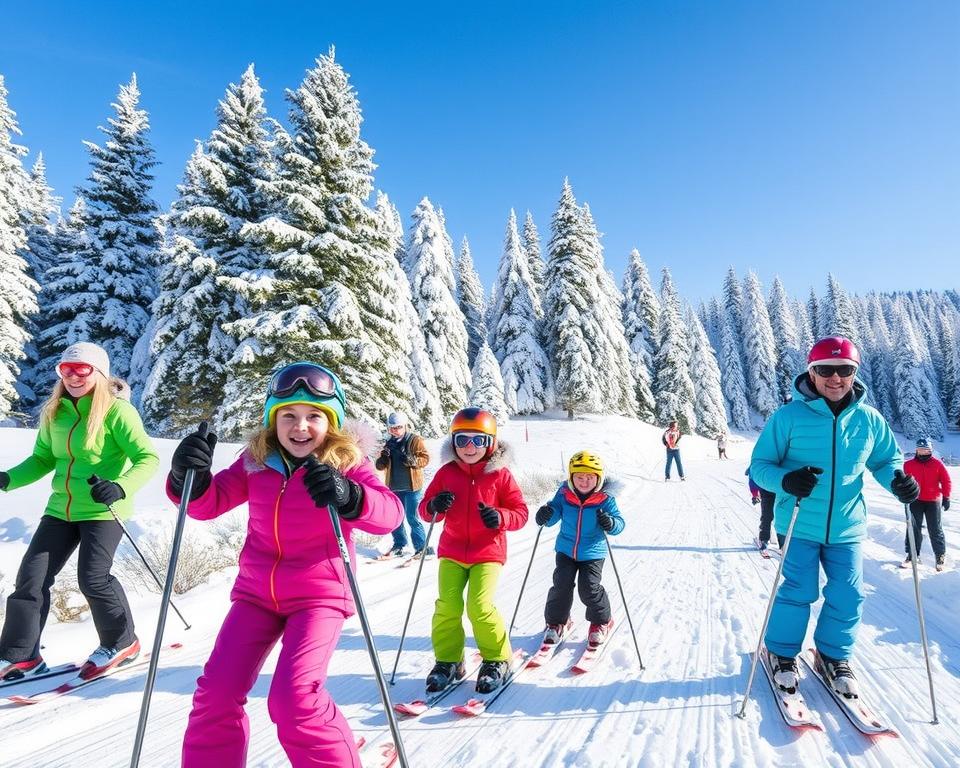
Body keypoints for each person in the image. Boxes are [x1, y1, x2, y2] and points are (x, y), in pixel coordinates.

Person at [170, 362, 402, 767]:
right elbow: (208, 504)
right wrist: (188, 477)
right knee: (216, 693)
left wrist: (350, 496)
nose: (301, 427)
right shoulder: (256, 461)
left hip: (319, 596)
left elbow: (391, 514)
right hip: (257, 595)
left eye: (314, 416)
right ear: (272, 419)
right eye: (288, 416)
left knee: (295, 700)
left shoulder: (345, 463)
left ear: (331, 422)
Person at [750, 336, 919, 699]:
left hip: (847, 525)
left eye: (844, 370)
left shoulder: (869, 420)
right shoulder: (788, 417)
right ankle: (781, 652)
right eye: (825, 369)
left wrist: (900, 482)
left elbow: (886, 461)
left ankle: (832, 655)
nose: (835, 378)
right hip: (798, 523)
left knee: (849, 593)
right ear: (811, 373)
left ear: (854, 373)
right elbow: (759, 466)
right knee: (799, 590)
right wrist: (786, 480)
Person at [0, 342, 158, 681]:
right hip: (61, 508)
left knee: (94, 577)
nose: (72, 377)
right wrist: (8, 478)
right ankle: (20, 656)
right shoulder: (55, 411)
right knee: (32, 577)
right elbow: (43, 459)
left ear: (98, 373)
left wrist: (120, 486)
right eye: (66, 370)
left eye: (81, 370)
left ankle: (122, 642)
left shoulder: (117, 412)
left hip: (103, 509)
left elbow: (148, 458)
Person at [418, 407, 528, 695]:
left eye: (477, 440)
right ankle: (449, 661)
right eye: (462, 439)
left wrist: (500, 517)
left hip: (488, 552)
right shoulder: (446, 473)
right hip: (452, 550)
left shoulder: (500, 476)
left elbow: (521, 512)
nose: (469, 447)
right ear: (453, 441)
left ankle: (497, 659)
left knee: (479, 606)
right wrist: (434, 507)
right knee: (447, 606)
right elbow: (425, 511)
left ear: (490, 443)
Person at [535, 451, 625, 646]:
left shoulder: (606, 499)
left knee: (589, 589)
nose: (584, 481)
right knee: (561, 586)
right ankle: (557, 623)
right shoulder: (563, 494)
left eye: (590, 477)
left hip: (593, 552)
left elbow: (619, 523)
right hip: (566, 550)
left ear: (599, 478)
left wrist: (610, 523)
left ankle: (602, 622)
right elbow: (553, 514)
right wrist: (544, 515)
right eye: (579, 477)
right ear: (571, 477)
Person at [374, 411, 432, 559]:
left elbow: (425, 458)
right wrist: (383, 458)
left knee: (412, 518)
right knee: (396, 517)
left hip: (412, 487)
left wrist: (412, 461)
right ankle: (400, 545)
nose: (395, 430)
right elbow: (380, 466)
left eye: (398, 427)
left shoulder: (414, 440)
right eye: (392, 428)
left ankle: (421, 547)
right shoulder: (389, 443)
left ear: (405, 426)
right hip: (394, 487)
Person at [902, 437, 952, 571]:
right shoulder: (908, 465)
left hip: (933, 501)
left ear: (931, 450)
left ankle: (940, 556)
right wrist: (903, 493)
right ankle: (912, 555)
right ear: (916, 450)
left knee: (935, 529)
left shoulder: (937, 464)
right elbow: (904, 483)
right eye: (920, 450)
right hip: (915, 500)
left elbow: (946, 481)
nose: (923, 453)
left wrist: (946, 497)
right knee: (913, 528)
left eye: (926, 450)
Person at [746, 468, 780, 552]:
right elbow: (752, 480)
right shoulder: (758, 463)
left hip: (781, 490)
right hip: (767, 491)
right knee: (767, 515)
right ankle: (764, 539)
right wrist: (755, 495)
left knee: (778, 515)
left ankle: (783, 543)